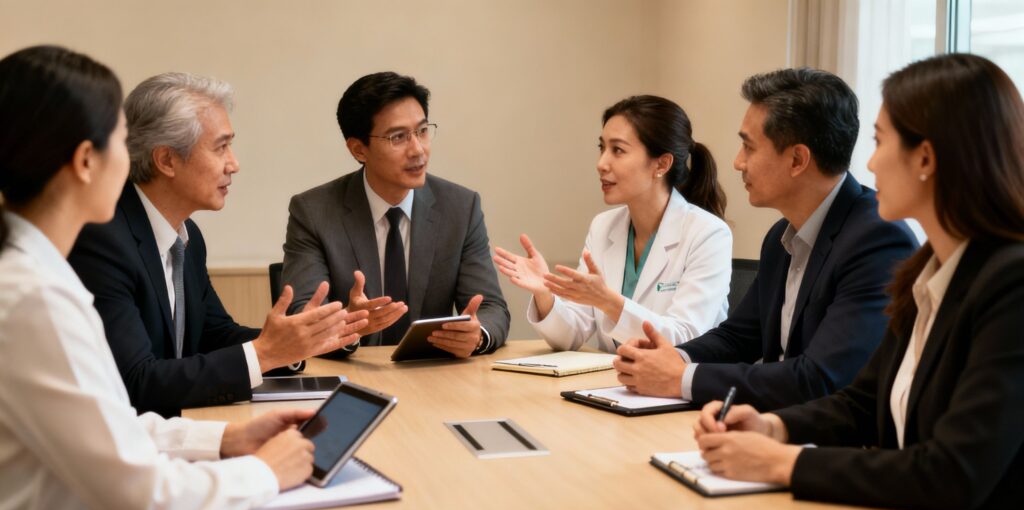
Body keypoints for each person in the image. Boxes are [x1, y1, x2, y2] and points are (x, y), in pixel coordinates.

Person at [0, 44, 317, 510]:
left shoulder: (36, 275)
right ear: (85, 161)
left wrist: (224, 437)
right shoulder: (34, 298)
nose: (132, 158)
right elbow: (144, 505)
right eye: (121, 140)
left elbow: (108, 426)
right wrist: (264, 472)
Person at [692, 53, 1024, 510]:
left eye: (879, 142)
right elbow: (861, 403)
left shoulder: (1011, 283)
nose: (868, 163)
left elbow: (953, 472)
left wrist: (782, 463)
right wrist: (774, 429)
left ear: (926, 158)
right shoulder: (927, 268)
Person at [614, 68, 918, 410]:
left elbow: (820, 378)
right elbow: (740, 336)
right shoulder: (781, 237)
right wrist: (673, 356)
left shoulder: (877, 240)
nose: (737, 162)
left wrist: (681, 378)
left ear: (797, 160)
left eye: (748, 146)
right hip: (773, 425)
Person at [68, 73, 367, 416]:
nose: (234, 164)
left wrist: (306, 337)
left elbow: (214, 334)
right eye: (221, 147)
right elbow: (135, 381)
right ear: (166, 160)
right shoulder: (103, 239)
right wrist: (265, 353)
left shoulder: (188, 237)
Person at [282, 71, 510, 358]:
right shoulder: (313, 212)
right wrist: (350, 325)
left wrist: (477, 336)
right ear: (358, 149)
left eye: (422, 131)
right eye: (398, 137)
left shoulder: (461, 208)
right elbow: (304, 313)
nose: (418, 150)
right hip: (351, 372)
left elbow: (491, 308)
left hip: (432, 374)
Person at [493, 96, 732, 353]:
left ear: (661, 164)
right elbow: (571, 335)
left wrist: (609, 303)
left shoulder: (708, 234)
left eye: (618, 150)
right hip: (614, 377)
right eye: (602, 147)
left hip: (682, 378)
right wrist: (545, 294)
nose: (601, 164)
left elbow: (685, 339)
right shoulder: (603, 226)